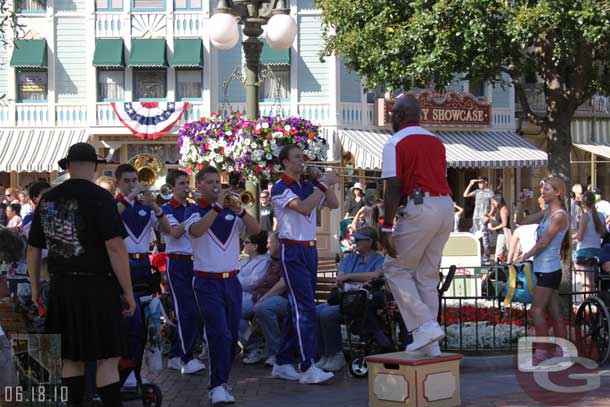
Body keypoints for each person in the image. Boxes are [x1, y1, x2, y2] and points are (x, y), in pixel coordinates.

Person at [26, 142, 136, 407]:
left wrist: (34, 288)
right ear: (95, 165)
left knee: (70, 359)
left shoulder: (49, 198)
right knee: (107, 359)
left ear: (68, 165)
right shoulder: (101, 197)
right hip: (98, 285)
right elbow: (115, 247)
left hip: (62, 287)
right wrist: (129, 292)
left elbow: (33, 249)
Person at [381, 95, 453, 357]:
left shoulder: (395, 142)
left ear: (399, 116)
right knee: (426, 276)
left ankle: (426, 326)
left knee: (394, 267)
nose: (390, 119)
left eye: (392, 114)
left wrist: (386, 226)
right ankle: (430, 345)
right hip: (445, 206)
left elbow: (394, 186)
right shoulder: (435, 140)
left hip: (421, 206)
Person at [184, 166, 261, 404]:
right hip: (207, 282)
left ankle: (222, 382)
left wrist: (241, 210)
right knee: (219, 334)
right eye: (209, 182)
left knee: (229, 338)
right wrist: (217, 206)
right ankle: (216, 385)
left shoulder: (230, 213)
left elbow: (257, 231)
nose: (216, 186)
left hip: (232, 282)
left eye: (218, 181)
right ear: (199, 186)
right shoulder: (194, 211)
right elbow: (196, 231)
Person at [271, 143, 339, 384]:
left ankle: (281, 361)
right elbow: (304, 208)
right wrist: (322, 184)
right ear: (286, 163)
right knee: (305, 308)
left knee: (296, 308)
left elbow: (334, 204)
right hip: (292, 250)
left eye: (303, 156)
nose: (302, 160)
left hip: (310, 250)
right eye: (297, 157)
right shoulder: (280, 187)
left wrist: (325, 182)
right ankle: (307, 365)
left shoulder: (308, 185)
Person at [114, 163, 171, 386]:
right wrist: (131, 197)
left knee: (146, 325)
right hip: (122, 266)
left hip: (144, 267)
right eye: (126, 181)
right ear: (117, 182)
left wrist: (155, 205)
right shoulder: (114, 205)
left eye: (133, 180)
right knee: (129, 322)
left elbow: (167, 229)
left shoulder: (145, 207)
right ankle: (124, 373)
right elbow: (112, 216)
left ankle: (136, 373)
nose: (131, 185)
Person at [513, 177, 570, 365]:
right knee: (553, 311)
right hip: (544, 268)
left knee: (536, 310)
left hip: (548, 269)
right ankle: (561, 350)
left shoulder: (559, 216)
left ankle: (542, 351)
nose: (543, 192)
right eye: (542, 189)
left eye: (547, 189)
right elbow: (521, 221)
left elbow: (544, 242)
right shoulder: (546, 212)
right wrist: (521, 204)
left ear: (557, 192)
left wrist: (524, 255)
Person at [316, 226, 384, 371]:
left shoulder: (379, 259)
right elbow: (341, 274)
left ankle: (336, 355)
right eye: (355, 238)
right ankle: (325, 354)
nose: (355, 241)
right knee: (315, 312)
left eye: (359, 239)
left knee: (327, 314)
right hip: (343, 298)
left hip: (362, 304)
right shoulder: (350, 257)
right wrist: (343, 278)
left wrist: (350, 277)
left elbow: (375, 275)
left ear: (370, 242)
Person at [161, 170, 206, 375]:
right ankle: (185, 358)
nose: (186, 187)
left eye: (187, 182)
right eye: (181, 183)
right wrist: (192, 215)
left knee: (196, 311)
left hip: (196, 262)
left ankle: (178, 355)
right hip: (178, 263)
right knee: (185, 311)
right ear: (171, 187)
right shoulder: (166, 208)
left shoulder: (192, 207)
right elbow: (175, 232)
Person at [250, 232, 289, 367]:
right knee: (233, 308)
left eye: (269, 242)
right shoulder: (269, 260)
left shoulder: (286, 260)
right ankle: (253, 347)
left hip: (283, 299)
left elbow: (283, 284)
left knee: (263, 309)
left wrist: (263, 299)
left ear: (279, 243)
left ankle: (276, 353)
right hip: (259, 297)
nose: (267, 246)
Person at [238, 230, 271, 360]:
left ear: (256, 246)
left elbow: (255, 282)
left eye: (246, 242)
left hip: (254, 298)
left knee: (233, 311)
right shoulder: (244, 260)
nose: (243, 244)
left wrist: (234, 281)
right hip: (240, 296)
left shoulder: (264, 261)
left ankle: (255, 345)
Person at [572, 190, 605, 299]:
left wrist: (572, 238)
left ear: (583, 203)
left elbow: (580, 237)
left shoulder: (585, 216)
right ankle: (591, 305)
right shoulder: (600, 215)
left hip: (584, 251)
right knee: (590, 283)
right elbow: (602, 233)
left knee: (585, 283)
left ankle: (585, 307)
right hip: (596, 251)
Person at [464, 176, 494, 264]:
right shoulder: (477, 192)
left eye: (481, 182)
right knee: (476, 236)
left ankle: (486, 257)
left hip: (483, 217)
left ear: (486, 183)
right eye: (478, 182)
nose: (480, 184)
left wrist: (488, 216)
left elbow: (494, 205)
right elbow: (465, 195)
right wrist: (470, 184)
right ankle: (478, 254)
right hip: (476, 216)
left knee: (484, 237)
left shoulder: (490, 192)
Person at [487, 193, 511, 264]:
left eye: (493, 201)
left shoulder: (503, 209)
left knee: (498, 253)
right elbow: (497, 219)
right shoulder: (499, 209)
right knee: (501, 253)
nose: (492, 203)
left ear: (498, 200)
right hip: (500, 233)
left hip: (503, 233)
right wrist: (490, 215)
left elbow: (504, 223)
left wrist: (493, 228)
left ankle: (498, 270)